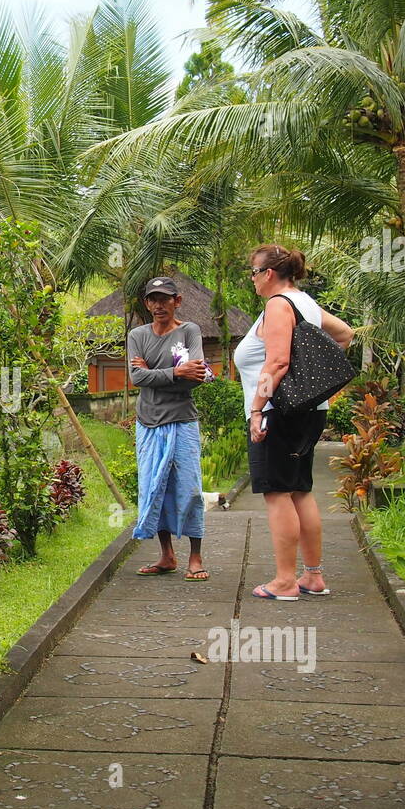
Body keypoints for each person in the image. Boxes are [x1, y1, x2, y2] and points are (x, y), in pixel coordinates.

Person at [233, 244, 354, 600]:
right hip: (310, 411)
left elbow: (278, 363)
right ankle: (313, 576)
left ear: (268, 274)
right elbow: (344, 334)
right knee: (300, 489)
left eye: (253, 273)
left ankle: (285, 581)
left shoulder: (277, 305)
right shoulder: (305, 303)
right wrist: (315, 381)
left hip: (278, 413)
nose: (252, 280)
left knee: (277, 493)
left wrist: (257, 409)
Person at [127, 276, 213, 578]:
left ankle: (196, 557)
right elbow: (137, 378)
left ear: (177, 301)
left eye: (164, 299)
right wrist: (177, 372)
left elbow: (197, 378)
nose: (158, 305)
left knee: (189, 488)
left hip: (182, 420)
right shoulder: (137, 335)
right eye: (152, 299)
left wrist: (157, 373)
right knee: (154, 487)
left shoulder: (189, 331)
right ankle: (166, 556)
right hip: (147, 423)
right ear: (147, 303)